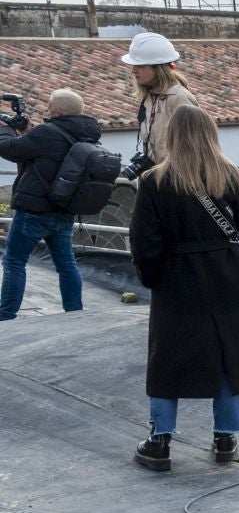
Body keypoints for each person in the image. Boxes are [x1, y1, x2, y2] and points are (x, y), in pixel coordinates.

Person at [129, 103, 239, 471]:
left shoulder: (154, 181)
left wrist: (153, 278)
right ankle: (225, 437)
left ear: (172, 136)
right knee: (230, 356)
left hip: (177, 277)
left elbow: (144, 241)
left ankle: (160, 441)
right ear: (212, 134)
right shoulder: (234, 176)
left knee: (167, 357)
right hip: (228, 276)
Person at [0, 88, 99, 321]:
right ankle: (74, 312)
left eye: (49, 107)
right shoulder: (86, 135)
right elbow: (41, 151)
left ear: (57, 111)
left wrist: (5, 130)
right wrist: (26, 131)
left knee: (14, 261)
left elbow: (9, 149)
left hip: (34, 211)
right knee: (66, 264)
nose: (46, 111)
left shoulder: (48, 132)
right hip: (63, 211)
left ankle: (5, 315)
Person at [123, 31, 196, 171]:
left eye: (141, 66)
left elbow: (193, 146)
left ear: (159, 68)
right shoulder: (149, 98)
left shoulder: (179, 98)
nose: (133, 71)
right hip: (157, 180)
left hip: (176, 181)